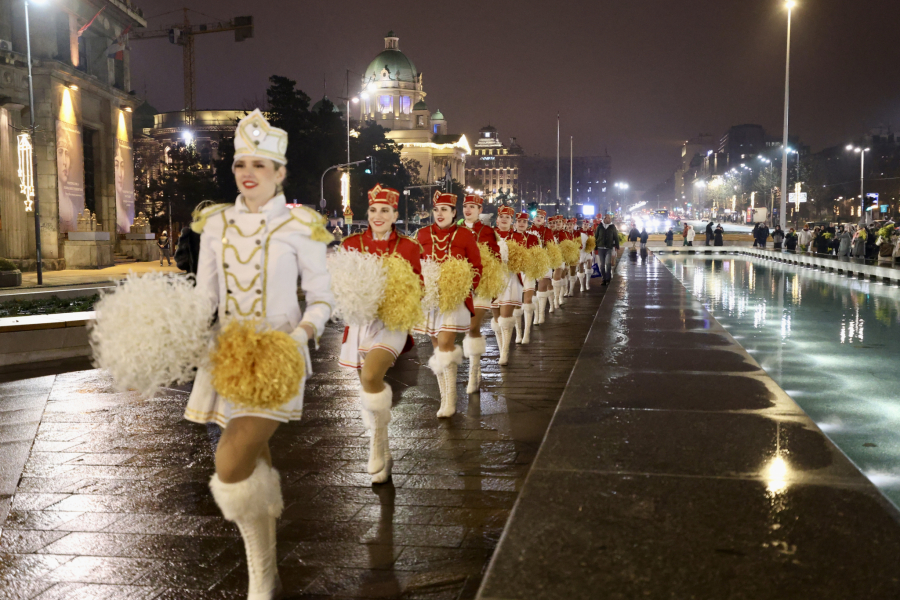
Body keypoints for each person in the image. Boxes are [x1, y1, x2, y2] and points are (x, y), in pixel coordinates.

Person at [185, 109, 335, 600]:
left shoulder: (301, 225)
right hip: (228, 359)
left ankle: (263, 577)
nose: (248, 173)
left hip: (278, 358)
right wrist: (172, 330)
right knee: (253, 463)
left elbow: (321, 298)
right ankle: (264, 575)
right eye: (240, 164)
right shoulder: (215, 224)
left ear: (279, 172)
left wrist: (301, 335)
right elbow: (205, 297)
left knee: (230, 463)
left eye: (259, 165)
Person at [339, 184, 421, 484]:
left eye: (385, 210)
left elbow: (419, 288)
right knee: (368, 385)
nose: (378, 215)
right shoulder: (351, 244)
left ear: (395, 215)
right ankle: (384, 448)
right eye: (373, 210)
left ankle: (374, 446)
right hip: (360, 323)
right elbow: (340, 283)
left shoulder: (409, 247)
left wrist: (398, 297)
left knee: (372, 376)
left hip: (392, 323)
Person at [415, 192, 483, 417]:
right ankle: (444, 398)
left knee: (445, 343)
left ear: (454, 212)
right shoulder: (423, 234)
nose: (439, 213)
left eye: (445, 209)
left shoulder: (465, 235)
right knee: (438, 349)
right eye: (436, 209)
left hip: (454, 299)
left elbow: (476, 266)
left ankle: (451, 399)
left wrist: (463, 286)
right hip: (431, 300)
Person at [461, 194, 500, 395]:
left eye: (472, 206)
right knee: (468, 330)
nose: (468, 210)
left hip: (482, 286)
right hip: (461, 287)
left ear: (479, 210)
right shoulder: (455, 230)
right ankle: (476, 371)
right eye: (465, 206)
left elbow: (496, 257)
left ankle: (472, 375)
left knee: (472, 326)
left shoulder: (487, 231)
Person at [492, 206, 525, 365]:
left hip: (511, 278)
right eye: (501, 216)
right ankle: (501, 350)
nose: (504, 219)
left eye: (508, 217)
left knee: (506, 317)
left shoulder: (518, 237)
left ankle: (505, 353)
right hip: (492, 280)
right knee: (496, 319)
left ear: (512, 221)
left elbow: (523, 259)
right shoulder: (489, 235)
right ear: (497, 219)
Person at [515, 211, 538, 343]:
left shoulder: (533, 238)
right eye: (519, 221)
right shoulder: (510, 237)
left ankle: (527, 332)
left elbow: (538, 255)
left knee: (527, 301)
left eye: (524, 221)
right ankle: (518, 333)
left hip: (529, 272)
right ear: (515, 223)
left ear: (527, 223)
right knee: (517, 304)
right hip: (514, 274)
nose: (522, 224)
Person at [595, 214, 619, 285]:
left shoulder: (612, 227)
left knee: (608, 264)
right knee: (602, 265)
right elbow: (596, 236)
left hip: (609, 248)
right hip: (600, 248)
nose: (609, 219)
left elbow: (616, 236)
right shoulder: (600, 226)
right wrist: (595, 246)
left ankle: (608, 279)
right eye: (608, 218)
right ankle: (604, 279)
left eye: (610, 218)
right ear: (604, 219)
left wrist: (617, 246)